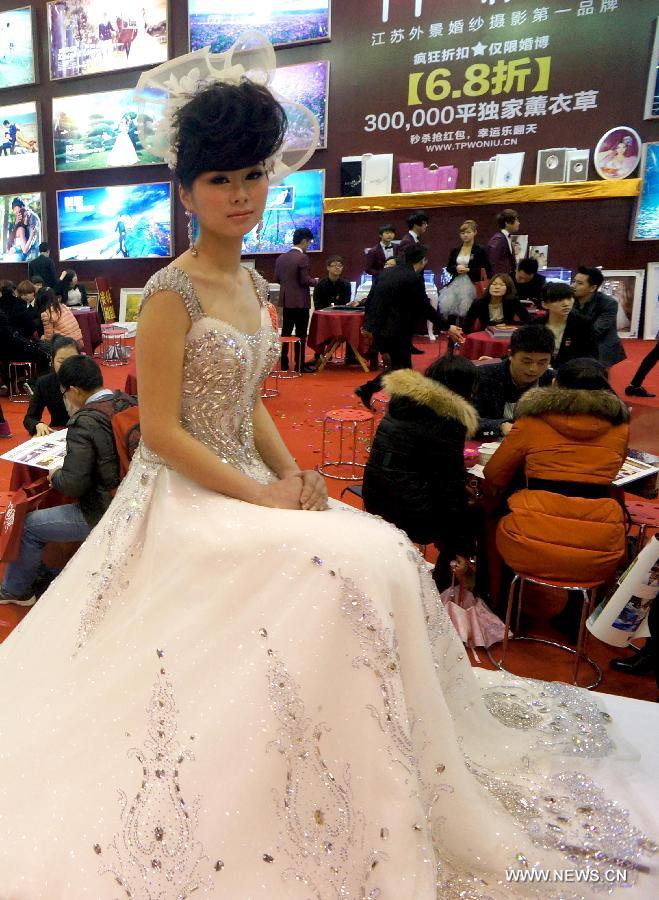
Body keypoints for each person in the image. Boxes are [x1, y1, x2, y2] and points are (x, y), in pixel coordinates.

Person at [0, 39, 653, 896]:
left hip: (247, 483)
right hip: (184, 497)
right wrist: (265, 493)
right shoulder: (170, 293)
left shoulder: (260, 290)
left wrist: (296, 481)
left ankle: (371, 761)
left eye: (253, 176)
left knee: (378, 548)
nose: (239, 196)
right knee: (348, 561)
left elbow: (255, 404)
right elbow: (159, 432)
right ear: (187, 189)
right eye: (220, 180)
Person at [0, 355, 135, 607]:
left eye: (64, 393)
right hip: (133, 500)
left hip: (103, 510)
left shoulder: (84, 421)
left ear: (73, 390)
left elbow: (72, 484)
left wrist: (55, 475)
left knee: (29, 526)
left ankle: (14, 591)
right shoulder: (126, 401)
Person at [484, 357, 630, 586]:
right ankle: (578, 612)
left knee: (490, 517)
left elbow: (494, 473)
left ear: (554, 384)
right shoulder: (620, 426)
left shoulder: (532, 420)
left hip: (527, 540)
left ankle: (501, 604)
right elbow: (613, 471)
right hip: (600, 549)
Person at [362, 354, 478, 588]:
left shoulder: (405, 402)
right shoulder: (447, 419)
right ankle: (449, 585)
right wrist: (461, 543)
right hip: (410, 511)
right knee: (472, 514)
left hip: (375, 495)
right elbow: (448, 483)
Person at [355, 243, 463, 409]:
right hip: (396, 330)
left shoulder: (387, 273)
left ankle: (374, 391)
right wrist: (447, 327)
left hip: (381, 328)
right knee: (402, 369)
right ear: (422, 261)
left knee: (400, 367)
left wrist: (369, 325)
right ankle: (387, 398)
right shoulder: (413, 278)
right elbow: (424, 307)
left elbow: (372, 299)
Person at [473, 323, 554, 438]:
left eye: (542, 362)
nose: (533, 369)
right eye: (527, 361)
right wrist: (499, 426)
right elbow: (466, 420)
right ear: (510, 354)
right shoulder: (483, 376)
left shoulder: (552, 381)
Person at [274, 226, 318, 372]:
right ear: (304, 241)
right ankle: (299, 365)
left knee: (286, 333)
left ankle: (284, 363)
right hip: (300, 301)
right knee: (301, 334)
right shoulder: (303, 257)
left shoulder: (281, 257)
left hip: (286, 301)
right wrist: (317, 281)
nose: (309, 246)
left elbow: (277, 279)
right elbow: (305, 280)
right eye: (309, 243)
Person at [23, 335, 80, 436]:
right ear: (52, 361)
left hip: (85, 434)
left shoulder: (87, 378)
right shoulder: (44, 383)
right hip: (57, 433)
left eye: (72, 360)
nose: (67, 365)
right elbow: (30, 418)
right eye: (61, 361)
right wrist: (37, 425)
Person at [571, 265, 626, 369]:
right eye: (573, 281)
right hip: (578, 341)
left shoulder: (609, 303)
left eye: (579, 283)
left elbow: (597, 330)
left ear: (592, 288)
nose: (573, 286)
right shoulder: (570, 300)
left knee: (598, 376)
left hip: (602, 343)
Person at [440, 219, 491, 320]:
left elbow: (486, 269)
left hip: (472, 283)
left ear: (475, 233)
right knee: (451, 308)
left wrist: (469, 270)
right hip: (456, 282)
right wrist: (456, 268)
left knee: (468, 310)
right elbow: (449, 267)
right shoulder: (455, 250)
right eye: (462, 233)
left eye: (468, 232)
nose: (465, 235)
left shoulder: (480, 250)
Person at [540, 281, 598, 366]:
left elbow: (591, 354)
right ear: (545, 304)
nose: (566, 304)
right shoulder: (536, 325)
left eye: (569, 298)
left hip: (573, 372)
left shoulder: (583, 324)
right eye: (558, 300)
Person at [462, 273, 529, 334]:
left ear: (508, 288)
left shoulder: (513, 301)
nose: (496, 287)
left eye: (501, 285)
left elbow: (528, 321)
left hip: (507, 334)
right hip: (486, 334)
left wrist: (508, 324)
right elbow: (466, 325)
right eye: (494, 284)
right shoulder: (479, 303)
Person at [486, 208, 519, 277]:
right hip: (500, 279)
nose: (518, 223)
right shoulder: (498, 239)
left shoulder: (505, 237)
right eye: (516, 220)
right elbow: (493, 262)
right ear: (507, 223)